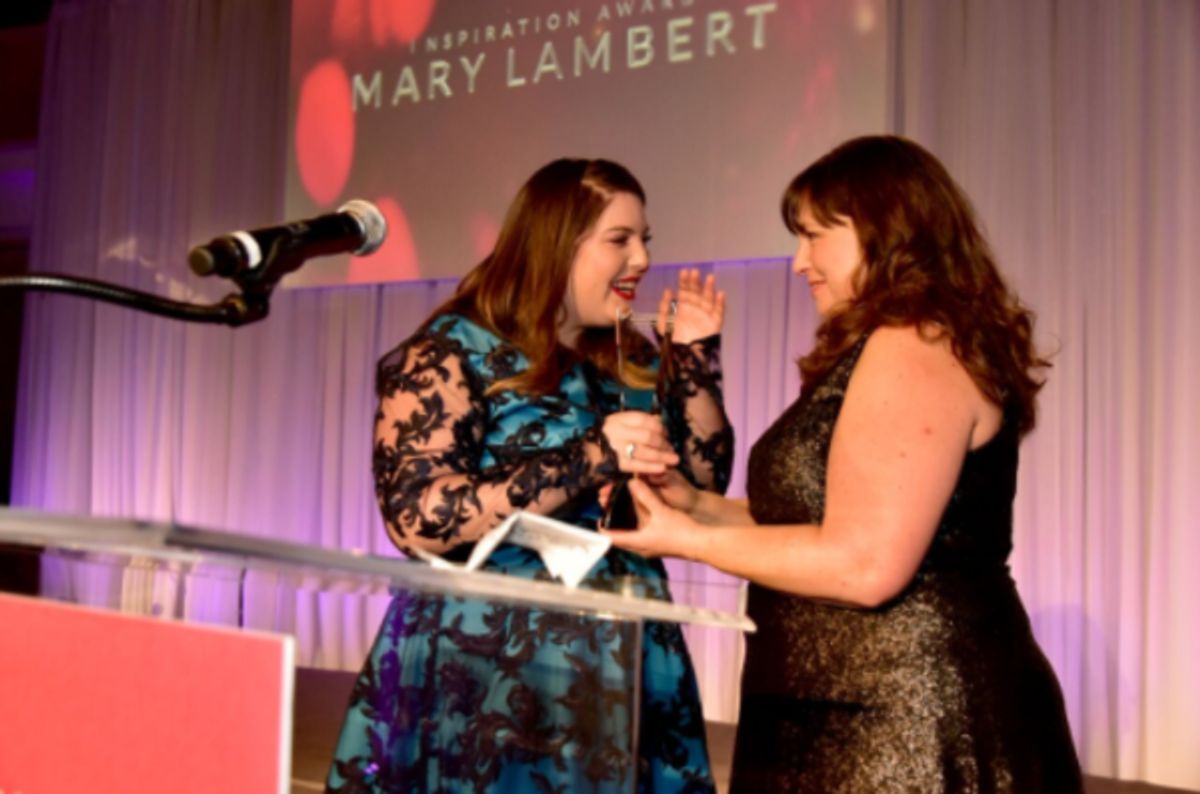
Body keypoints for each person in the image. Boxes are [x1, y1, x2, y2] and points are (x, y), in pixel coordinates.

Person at [606, 136, 1084, 792]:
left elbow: (864, 563)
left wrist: (688, 540)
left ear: (884, 230)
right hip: (840, 716)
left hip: (906, 729)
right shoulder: (891, 342)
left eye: (812, 237)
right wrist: (696, 504)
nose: (799, 262)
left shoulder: (916, 342)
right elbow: (825, 519)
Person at [325, 158, 734, 793]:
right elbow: (417, 518)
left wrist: (697, 360)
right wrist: (589, 454)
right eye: (620, 240)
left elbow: (704, 485)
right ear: (555, 245)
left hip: (626, 656)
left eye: (645, 240)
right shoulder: (453, 348)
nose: (643, 259)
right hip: (491, 672)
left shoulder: (632, 356)